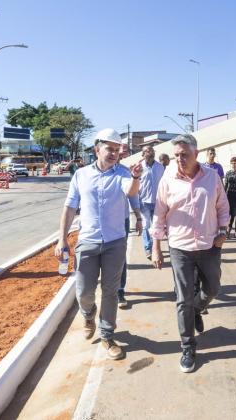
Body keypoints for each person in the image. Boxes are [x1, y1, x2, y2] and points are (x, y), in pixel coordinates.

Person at [54, 128, 142, 361]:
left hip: (115, 242)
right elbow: (70, 207)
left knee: (110, 291)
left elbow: (131, 191)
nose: (113, 153)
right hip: (87, 241)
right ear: (97, 149)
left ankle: (107, 335)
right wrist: (62, 239)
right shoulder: (81, 175)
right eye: (109, 148)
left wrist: (135, 178)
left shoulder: (123, 173)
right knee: (84, 291)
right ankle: (88, 314)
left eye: (117, 150)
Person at [150, 134, 229, 373]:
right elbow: (159, 214)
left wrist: (223, 231)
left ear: (196, 153)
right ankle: (187, 347)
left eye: (184, 154)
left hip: (209, 246)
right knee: (183, 299)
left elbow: (222, 206)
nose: (180, 159)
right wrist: (156, 247)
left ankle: (197, 308)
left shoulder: (212, 177)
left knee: (213, 288)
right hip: (180, 248)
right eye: (176, 155)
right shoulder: (168, 179)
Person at [118, 143, 143, 309]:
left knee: (120, 257)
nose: (120, 152)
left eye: (120, 150)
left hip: (122, 221)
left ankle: (119, 290)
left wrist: (139, 218)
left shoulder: (125, 172)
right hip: (97, 226)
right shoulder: (87, 172)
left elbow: (132, 196)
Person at [138, 145, 165, 259]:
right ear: (143, 154)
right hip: (143, 201)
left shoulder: (160, 167)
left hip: (157, 201)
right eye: (148, 151)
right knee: (146, 225)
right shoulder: (139, 167)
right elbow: (135, 183)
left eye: (152, 150)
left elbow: (164, 184)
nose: (151, 152)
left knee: (156, 226)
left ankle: (155, 248)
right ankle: (148, 248)